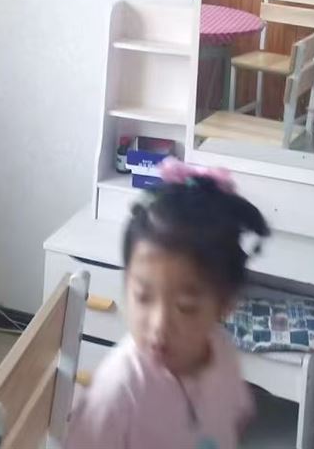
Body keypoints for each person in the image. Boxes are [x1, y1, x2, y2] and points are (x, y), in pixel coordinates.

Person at [66, 158, 269, 449]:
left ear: (225, 304)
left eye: (185, 306)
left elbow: (232, 420)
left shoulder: (221, 353)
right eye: (143, 297)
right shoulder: (117, 392)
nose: (159, 325)